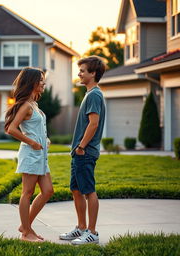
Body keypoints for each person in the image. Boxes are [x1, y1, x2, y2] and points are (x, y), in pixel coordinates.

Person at [59, 56, 106, 245]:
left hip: (85, 152)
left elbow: (93, 124)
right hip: (79, 152)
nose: (79, 73)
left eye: (82, 70)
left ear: (93, 73)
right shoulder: (90, 94)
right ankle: (80, 227)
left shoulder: (94, 94)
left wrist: (81, 147)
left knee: (88, 191)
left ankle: (92, 232)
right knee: (76, 190)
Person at [5, 67, 54, 242]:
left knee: (48, 191)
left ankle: (25, 226)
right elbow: (11, 129)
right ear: (32, 82)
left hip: (41, 155)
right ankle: (26, 233)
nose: (43, 83)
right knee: (27, 192)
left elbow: (35, 129)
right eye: (41, 80)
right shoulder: (25, 105)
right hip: (31, 154)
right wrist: (32, 142)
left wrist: (44, 139)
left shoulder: (34, 104)